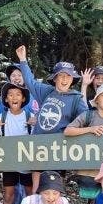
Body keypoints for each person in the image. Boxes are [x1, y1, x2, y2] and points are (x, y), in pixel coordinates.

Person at [14, 45, 87, 191]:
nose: (64, 79)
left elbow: (86, 118)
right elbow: (30, 82)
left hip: (58, 147)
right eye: (61, 76)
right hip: (39, 145)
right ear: (55, 79)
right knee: (36, 189)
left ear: (72, 79)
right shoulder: (47, 92)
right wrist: (23, 60)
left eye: (68, 76)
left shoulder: (76, 99)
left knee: (53, 188)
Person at [64, 83, 103, 200]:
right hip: (87, 171)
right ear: (97, 99)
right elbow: (68, 131)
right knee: (90, 203)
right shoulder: (87, 116)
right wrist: (91, 129)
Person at [0, 82, 34, 204]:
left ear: (23, 98)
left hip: (26, 161)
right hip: (9, 162)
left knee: (29, 196)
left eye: (18, 94)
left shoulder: (30, 116)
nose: (14, 97)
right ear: (6, 99)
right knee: (8, 195)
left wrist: (36, 124)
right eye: (10, 95)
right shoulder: (2, 117)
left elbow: (36, 140)